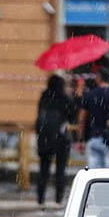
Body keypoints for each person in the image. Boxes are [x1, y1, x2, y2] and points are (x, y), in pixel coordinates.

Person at [33, 74, 80, 205]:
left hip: (44, 138)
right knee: (61, 170)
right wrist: (75, 96)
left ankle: (40, 199)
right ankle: (58, 199)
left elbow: (39, 117)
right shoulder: (64, 98)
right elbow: (72, 116)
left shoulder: (44, 96)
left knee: (43, 170)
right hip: (61, 138)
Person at [77, 67, 109, 169]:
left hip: (93, 138)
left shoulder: (89, 95)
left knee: (95, 175)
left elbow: (81, 119)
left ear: (98, 78)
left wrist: (80, 140)